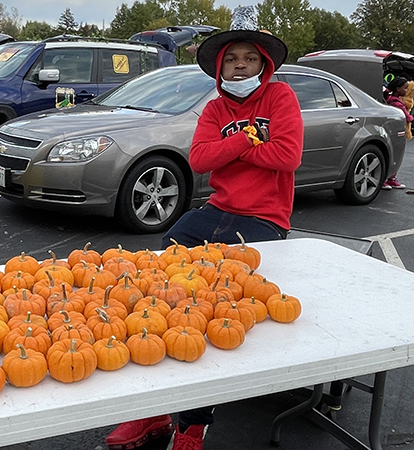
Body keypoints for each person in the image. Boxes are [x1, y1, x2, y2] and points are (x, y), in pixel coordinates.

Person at [104, 7, 303, 450]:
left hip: (264, 218)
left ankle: (194, 421)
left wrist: (228, 150)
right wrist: (248, 140)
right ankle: (150, 409)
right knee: (158, 282)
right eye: (231, 59)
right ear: (219, 67)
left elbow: (287, 157)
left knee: (217, 306)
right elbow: (199, 160)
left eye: (249, 58)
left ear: (263, 65)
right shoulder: (214, 107)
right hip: (216, 209)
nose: (239, 65)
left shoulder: (280, 99)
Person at [382, 76, 412, 190]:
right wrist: (411, 116)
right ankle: (388, 178)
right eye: (405, 88)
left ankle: (390, 179)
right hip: (396, 131)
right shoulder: (397, 103)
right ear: (398, 88)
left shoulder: (390, 99)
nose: (406, 91)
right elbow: (407, 117)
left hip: (392, 130)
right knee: (395, 154)